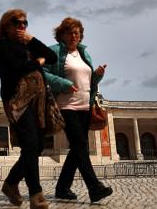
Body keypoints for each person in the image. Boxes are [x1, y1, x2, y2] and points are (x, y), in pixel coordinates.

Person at [43, 17, 113, 203]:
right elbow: (43, 72)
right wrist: (63, 83)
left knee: (77, 149)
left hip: (85, 106)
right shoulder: (54, 51)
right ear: (62, 35)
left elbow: (88, 82)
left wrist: (97, 76)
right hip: (67, 106)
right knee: (81, 146)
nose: (74, 35)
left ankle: (62, 188)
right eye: (69, 32)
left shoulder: (84, 54)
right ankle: (94, 187)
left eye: (77, 32)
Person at [0, 9, 57, 209]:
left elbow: (52, 57)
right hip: (17, 101)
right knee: (30, 145)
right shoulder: (1, 45)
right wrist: (36, 63)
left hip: (38, 102)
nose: (22, 26)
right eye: (17, 22)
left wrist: (32, 39)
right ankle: (36, 195)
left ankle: (11, 183)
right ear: (6, 25)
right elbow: (11, 68)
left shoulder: (28, 44)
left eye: (25, 23)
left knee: (36, 147)